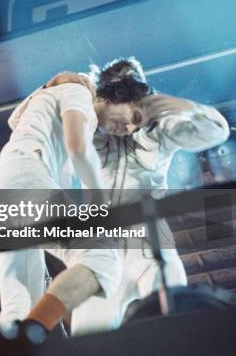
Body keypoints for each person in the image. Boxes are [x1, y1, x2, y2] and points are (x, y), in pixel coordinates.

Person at [46, 57, 230, 334]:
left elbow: (217, 133)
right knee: (88, 340)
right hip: (102, 251)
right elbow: (40, 117)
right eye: (129, 116)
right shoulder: (81, 126)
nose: (131, 127)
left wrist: (185, 107)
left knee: (174, 327)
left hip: (151, 244)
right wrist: (65, 87)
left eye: (138, 120)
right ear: (110, 97)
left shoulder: (157, 134)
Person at [0, 65, 154, 340]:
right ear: (118, 96)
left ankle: (15, 341)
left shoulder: (62, 92)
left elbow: (16, 120)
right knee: (102, 255)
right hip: (25, 178)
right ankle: (33, 333)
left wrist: (50, 84)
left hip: (0, 188)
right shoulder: (79, 91)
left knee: (19, 302)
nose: (129, 128)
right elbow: (78, 148)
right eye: (132, 115)